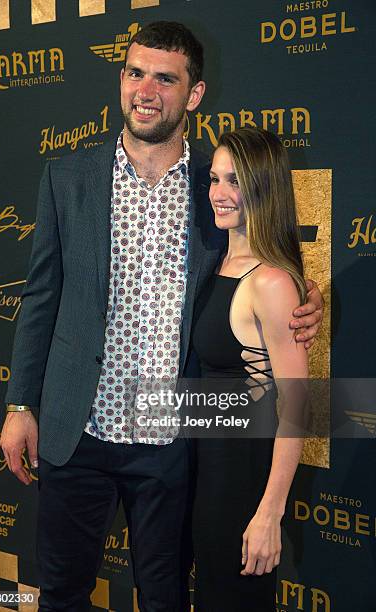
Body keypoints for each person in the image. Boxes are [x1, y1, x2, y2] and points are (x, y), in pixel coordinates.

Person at [0, 22, 322, 612]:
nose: (145, 90)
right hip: (78, 431)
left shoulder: (218, 186)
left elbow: (261, 267)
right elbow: (40, 299)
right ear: (121, 79)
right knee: (61, 593)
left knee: (165, 597)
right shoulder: (68, 178)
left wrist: (304, 298)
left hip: (172, 444)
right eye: (134, 72)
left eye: (165, 78)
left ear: (194, 95)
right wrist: (21, 404)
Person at [191, 127, 310, 611]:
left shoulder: (272, 282)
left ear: (263, 187)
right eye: (215, 180)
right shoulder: (216, 262)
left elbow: (299, 405)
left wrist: (269, 513)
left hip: (239, 484)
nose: (219, 193)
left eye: (234, 181)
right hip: (202, 474)